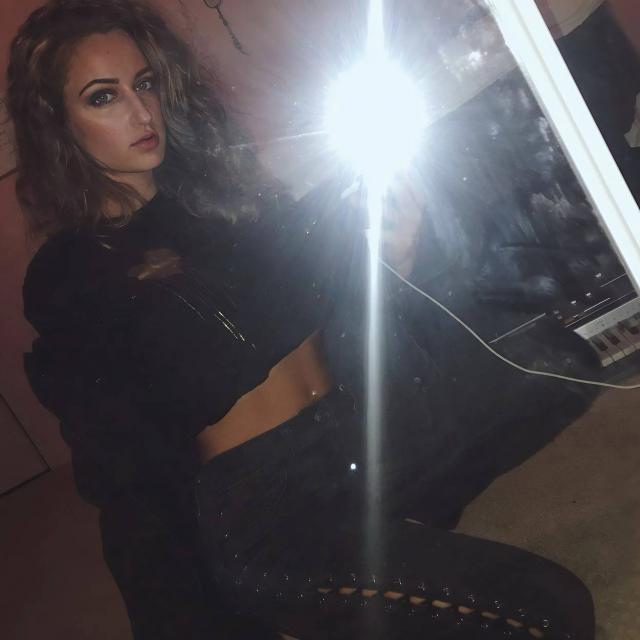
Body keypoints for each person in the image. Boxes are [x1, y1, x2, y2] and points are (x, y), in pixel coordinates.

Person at [8, 0, 600, 638]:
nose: (142, 112)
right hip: (270, 507)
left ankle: (387, 543)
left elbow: (340, 315)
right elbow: (126, 479)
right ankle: (340, 580)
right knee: (551, 610)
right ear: (57, 123)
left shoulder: (222, 199)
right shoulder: (74, 273)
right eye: (103, 97)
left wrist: (392, 258)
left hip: (353, 435)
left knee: (559, 366)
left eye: (145, 83)